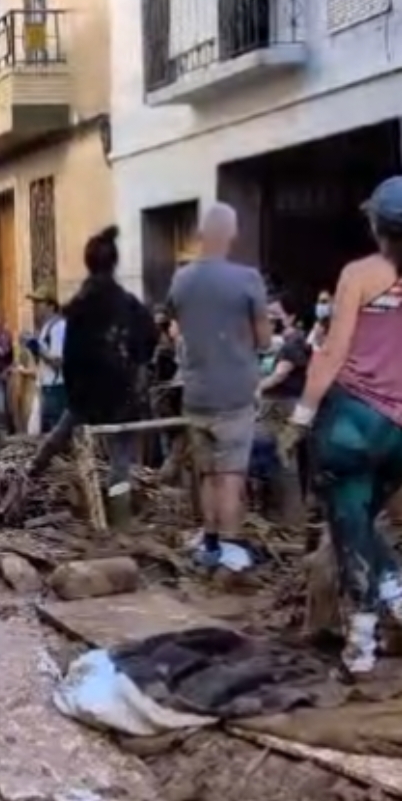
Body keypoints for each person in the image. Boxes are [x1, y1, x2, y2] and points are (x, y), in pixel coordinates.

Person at [292, 178, 402, 675]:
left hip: (352, 421)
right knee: (364, 519)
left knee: (348, 521)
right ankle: (393, 593)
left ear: (377, 225)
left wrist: (303, 412)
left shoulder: (359, 274)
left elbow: (333, 352)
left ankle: (362, 642)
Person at [168, 202, 271, 570]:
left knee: (208, 474)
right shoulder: (247, 279)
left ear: (200, 235)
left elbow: (176, 326)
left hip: (195, 394)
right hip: (234, 395)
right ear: (232, 234)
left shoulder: (181, 279)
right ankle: (230, 551)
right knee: (230, 476)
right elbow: (263, 339)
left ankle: (209, 544)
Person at [29, 229, 155, 515]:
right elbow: (149, 335)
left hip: (87, 394)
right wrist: (137, 366)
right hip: (122, 393)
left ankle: (29, 476)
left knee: (57, 436)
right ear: (114, 263)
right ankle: (119, 515)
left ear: (88, 262)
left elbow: (72, 356)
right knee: (120, 461)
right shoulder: (128, 303)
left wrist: (76, 391)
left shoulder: (80, 305)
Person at [24, 293, 66, 433]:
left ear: (51, 306)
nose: (35, 307)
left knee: (55, 432)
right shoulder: (46, 328)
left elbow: (58, 362)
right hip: (46, 386)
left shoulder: (58, 327)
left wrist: (38, 348)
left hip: (56, 387)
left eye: (39, 303)